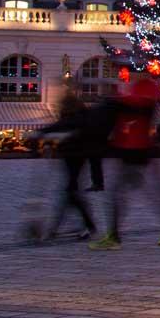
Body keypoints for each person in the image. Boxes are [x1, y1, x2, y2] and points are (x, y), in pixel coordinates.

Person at [92, 70, 160, 249]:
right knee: (118, 193)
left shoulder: (149, 87)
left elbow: (143, 107)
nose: (131, 74)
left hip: (141, 149)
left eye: (134, 71)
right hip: (125, 147)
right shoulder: (130, 89)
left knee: (153, 193)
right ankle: (114, 236)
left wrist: (117, 100)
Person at [32, 92, 100, 242]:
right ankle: (61, 228)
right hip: (73, 157)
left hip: (76, 156)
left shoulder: (76, 117)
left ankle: (86, 225)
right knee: (70, 193)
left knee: (71, 192)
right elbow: (61, 127)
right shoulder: (79, 116)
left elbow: (61, 126)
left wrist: (42, 132)